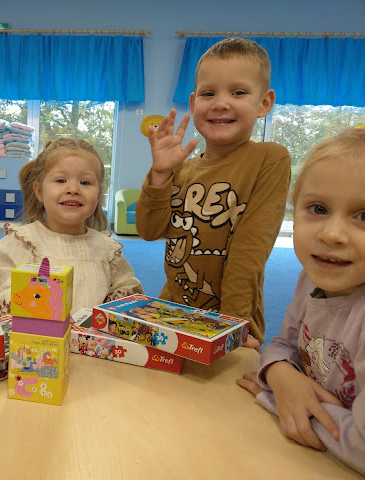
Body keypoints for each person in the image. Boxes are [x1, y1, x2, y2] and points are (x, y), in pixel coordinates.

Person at [135, 38, 291, 346]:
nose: (220, 103)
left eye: (238, 92)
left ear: (264, 103)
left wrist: (232, 328)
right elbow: (148, 231)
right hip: (172, 313)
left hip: (230, 319)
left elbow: (249, 253)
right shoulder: (181, 168)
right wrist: (160, 175)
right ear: (194, 104)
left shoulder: (269, 159)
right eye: (209, 93)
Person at [237, 127, 365, 475]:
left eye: (363, 216)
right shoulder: (311, 280)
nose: (332, 234)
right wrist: (280, 373)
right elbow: (283, 344)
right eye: (318, 208)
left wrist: (277, 397)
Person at [0, 138, 143, 316]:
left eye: (85, 182)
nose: (73, 189)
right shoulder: (22, 244)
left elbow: (128, 287)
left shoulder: (107, 250)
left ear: (98, 195)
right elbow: (0, 293)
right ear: (39, 191)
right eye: (61, 180)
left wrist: (116, 302)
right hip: (34, 333)